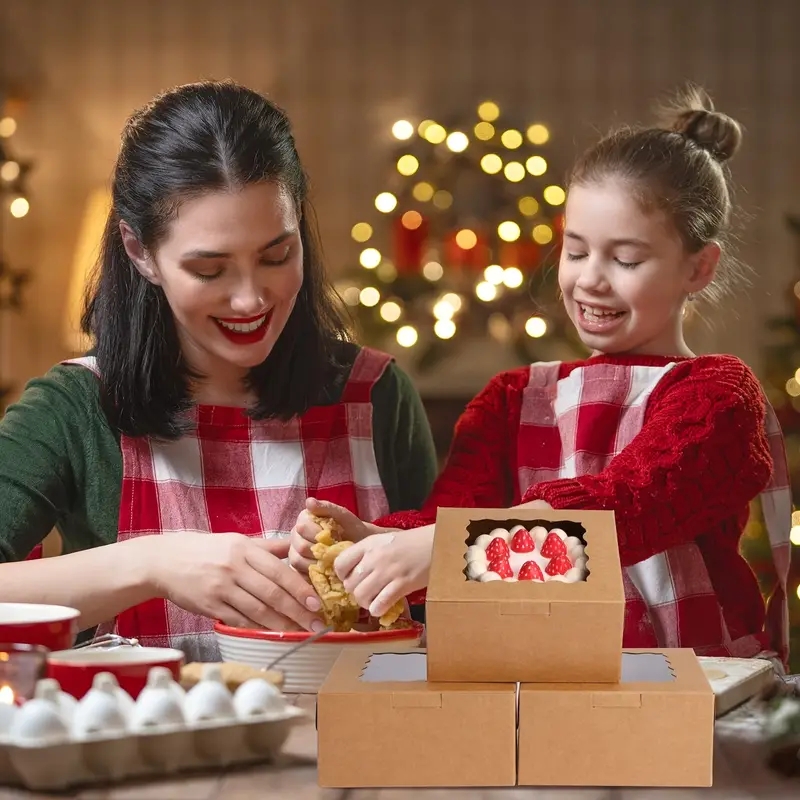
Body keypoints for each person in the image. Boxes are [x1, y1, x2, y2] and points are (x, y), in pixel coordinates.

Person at [291, 86, 792, 668]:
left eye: (626, 260)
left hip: (689, 692)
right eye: (575, 252)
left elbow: (618, 515)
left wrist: (441, 549)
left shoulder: (718, 396)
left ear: (699, 268)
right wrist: (378, 541)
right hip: (545, 682)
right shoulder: (511, 400)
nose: (590, 281)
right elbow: (446, 525)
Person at [0, 81, 438, 661]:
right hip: (146, 750)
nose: (250, 299)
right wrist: (153, 563)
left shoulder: (378, 395)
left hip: (358, 748)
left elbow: (451, 609)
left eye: (277, 256)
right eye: (210, 270)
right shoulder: (75, 407)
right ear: (139, 251)